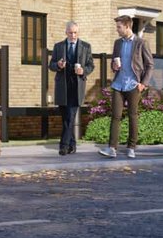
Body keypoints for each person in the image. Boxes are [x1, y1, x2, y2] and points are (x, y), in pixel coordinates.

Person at [99, 14, 153, 159]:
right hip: (118, 84)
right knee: (115, 116)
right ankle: (112, 148)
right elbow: (113, 63)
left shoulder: (141, 43)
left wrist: (143, 84)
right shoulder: (118, 43)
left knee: (132, 116)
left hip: (133, 85)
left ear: (127, 26)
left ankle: (131, 147)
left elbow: (149, 65)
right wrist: (114, 66)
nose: (117, 30)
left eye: (119, 27)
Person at [50, 21, 92, 155]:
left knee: (70, 116)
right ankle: (72, 146)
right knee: (66, 117)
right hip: (63, 87)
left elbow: (91, 65)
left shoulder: (86, 47)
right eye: (70, 33)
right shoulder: (58, 46)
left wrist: (83, 71)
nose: (73, 35)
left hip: (77, 86)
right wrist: (58, 65)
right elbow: (51, 65)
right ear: (66, 32)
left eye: (75, 33)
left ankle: (63, 146)